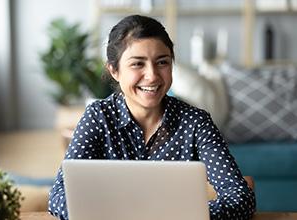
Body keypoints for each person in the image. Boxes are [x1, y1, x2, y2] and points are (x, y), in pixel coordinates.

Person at [48, 14, 256, 220]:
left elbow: (240, 197)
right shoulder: (98, 117)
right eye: (138, 64)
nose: (152, 75)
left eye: (162, 62)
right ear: (114, 70)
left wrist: (188, 216)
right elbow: (58, 196)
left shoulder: (196, 122)